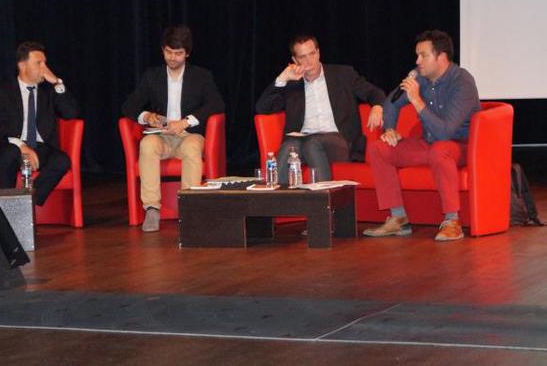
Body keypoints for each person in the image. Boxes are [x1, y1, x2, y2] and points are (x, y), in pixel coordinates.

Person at [363, 30, 480, 241]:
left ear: (441, 57)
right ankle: (398, 218)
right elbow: (391, 102)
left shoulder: (462, 82)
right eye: (417, 55)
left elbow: (445, 132)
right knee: (378, 148)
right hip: (429, 143)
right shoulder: (421, 77)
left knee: (440, 150)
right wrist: (389, 129)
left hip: (459, 146)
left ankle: (452, 221)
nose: (418, 61)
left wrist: (416, 100)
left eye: (423, 55)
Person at [122, 25, 225, 232]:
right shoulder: (153, 76)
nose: (172, 58)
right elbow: (129, 106)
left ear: (187, 53)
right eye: (168, 52)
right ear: (163, 50)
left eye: (178, 53)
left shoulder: (201, 76)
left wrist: (186, 122)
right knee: (147, 145)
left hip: (190, 135)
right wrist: (147, 116)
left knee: (191, 149)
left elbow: (217, 104)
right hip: (162, 136)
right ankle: (152, 208)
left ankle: (188, 209)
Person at [255, 34, 385, 183]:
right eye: (303, 57)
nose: (309, 61)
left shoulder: (342, 75)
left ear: (318, 52)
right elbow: (262, 108)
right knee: (289, 146)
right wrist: (282, 79)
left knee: (312, 143)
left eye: (312, 54)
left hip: (340, 142)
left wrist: (377, 106)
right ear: (295, 60)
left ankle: (325, 202)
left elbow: (374, 92)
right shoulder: (292, 85)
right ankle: (279, 202)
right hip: (303, 141)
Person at [0, 41, 80, 205]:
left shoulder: (48, 91)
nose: (44, 68)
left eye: (45, 63)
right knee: (8, 155)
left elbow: (70, 113)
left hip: (40, 147)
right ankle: (4, 208)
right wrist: (22, 146)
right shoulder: (2, 90)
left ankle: (26, 203)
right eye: (38, 63)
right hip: (11, 144)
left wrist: (58, 84)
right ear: (22, 66)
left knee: (61, 161)